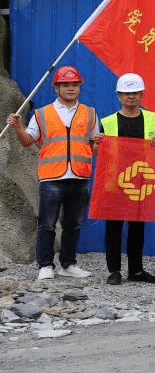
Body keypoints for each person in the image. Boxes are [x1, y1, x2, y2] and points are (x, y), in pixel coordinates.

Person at [7, 65, 100, 281]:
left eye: (75, 84)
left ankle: (68, 264)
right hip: (51, 177)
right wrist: (19, 128)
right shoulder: (41, 114)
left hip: (79, 177)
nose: (71, 88)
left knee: (73, 224)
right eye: (65, 85)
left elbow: (94, 147)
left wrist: (99, 145)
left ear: (80, 87)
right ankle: (45, 266)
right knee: (47, 224)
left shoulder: (90, 113)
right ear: (56, 87)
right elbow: (27, 141)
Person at [100, 73, 155, 285]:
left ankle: (136, 270)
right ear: (119, 96)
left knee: (137, 228)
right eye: (127, 94)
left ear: (142, 94)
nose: (131, 97)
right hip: (114, 183)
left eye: (135, 93)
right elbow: (97, 152)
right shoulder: (107, 122)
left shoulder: (152, 119)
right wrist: (94, 143)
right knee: (114, 229)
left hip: (141, 183)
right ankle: (114, 271)